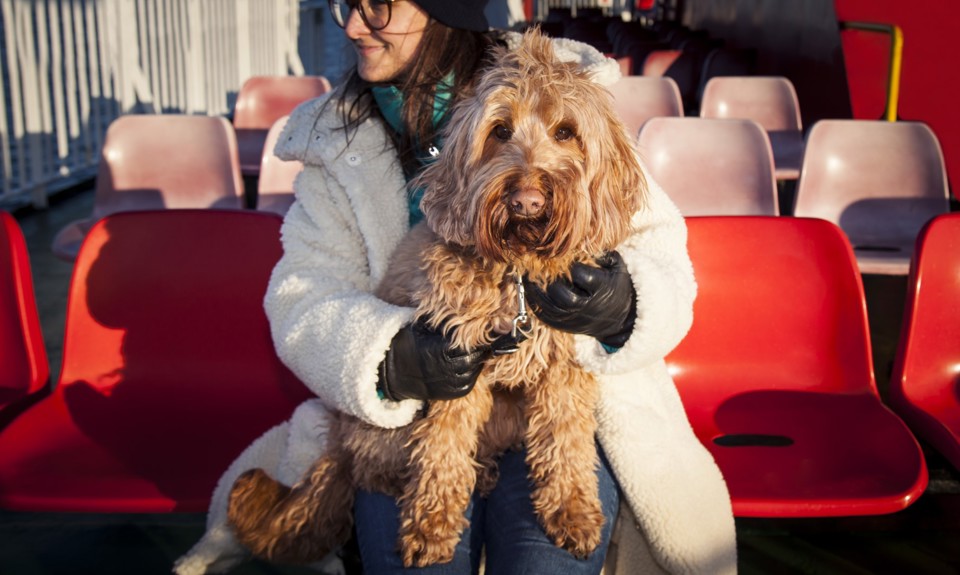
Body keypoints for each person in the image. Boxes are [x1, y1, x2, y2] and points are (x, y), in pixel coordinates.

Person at [175, 2, 737, 574]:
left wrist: (625, 306)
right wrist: (390, 358)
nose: (350, 27)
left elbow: (663, 253)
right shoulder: (333, 140)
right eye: (345, 4)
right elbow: (301, 298)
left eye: (377, 6)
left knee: (547, 561)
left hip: (569, 419)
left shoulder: (569, 94)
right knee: (416, 561)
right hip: (409, 423)